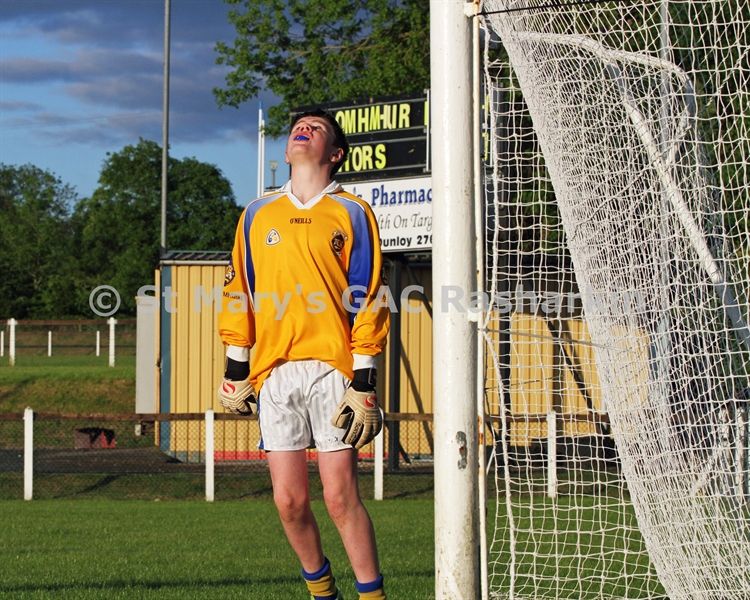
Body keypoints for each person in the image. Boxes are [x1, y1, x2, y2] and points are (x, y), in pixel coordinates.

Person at [217, 108, 390, 600]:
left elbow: (368, 294)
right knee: (289, 502)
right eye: (299, 126)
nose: (304, 129)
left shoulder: (352, 211)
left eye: (317, 128)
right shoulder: (256, 213)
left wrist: (365, 378)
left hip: (335, 372)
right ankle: (323, 593)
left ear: (335, 155)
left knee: (339, 496)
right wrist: (235, 366)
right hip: (275, 373)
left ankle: (372, 596)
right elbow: (239, 290)